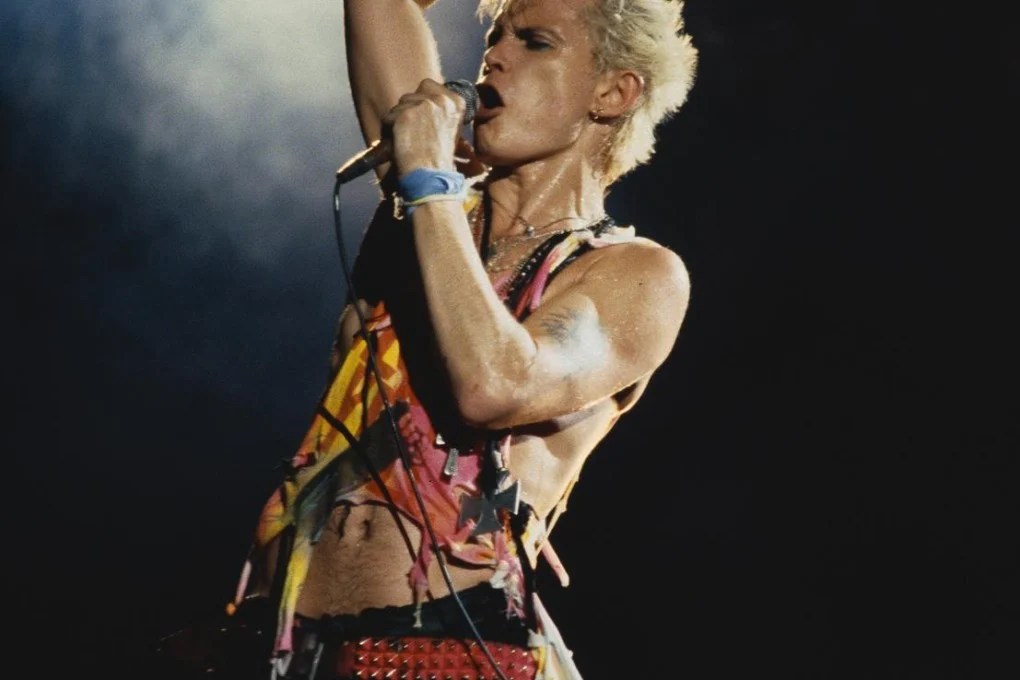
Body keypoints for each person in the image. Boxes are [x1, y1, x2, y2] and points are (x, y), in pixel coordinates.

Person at [152, 0, 697, 678]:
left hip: (445, 650)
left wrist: (430, 182)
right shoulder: (423, 215)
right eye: (495, 37)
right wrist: (429, 187)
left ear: (613, 92)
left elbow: (494, 385)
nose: (493, 57)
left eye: (535, 42)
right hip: (273, 646)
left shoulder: (638, 275)